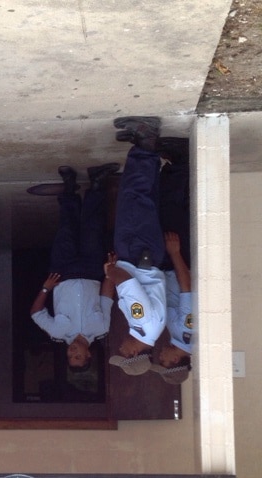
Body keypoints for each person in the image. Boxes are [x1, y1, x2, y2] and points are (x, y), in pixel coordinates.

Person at [30, 163, 119, 371]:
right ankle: (96, 182)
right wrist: (110, 272)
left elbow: (36, 313)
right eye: (78, 357)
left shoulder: (57, 333)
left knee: (67, 228)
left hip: (63, 272)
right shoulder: (101, 328)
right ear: (88, 354)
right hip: (92, 271)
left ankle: (69, 185)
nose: (73, 353)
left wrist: (46, 289)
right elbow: (107, 297)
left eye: (71, 357)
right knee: (92, 228)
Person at [106, 116, 167, 376]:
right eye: (122, 353)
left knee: (143, 199)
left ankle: (144, 148)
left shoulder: (149, 329)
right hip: (137, 253)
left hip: (142, 256)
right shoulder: (142, 323)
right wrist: (110, 271)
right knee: (134, 196)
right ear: (132, 354)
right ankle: (146, 137)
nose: (119, 347)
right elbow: (126, 283)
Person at [151, 138, 193, 384]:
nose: (160, 355)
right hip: (177, 263)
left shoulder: (178, 335)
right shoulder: (187, 332)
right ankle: (180, 159)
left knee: (172, 210)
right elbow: (187, 291)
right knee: (170, 211)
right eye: (163, 360)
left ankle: (178, 164)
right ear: (174, 361)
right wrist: (175, 253)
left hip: (171, 266)